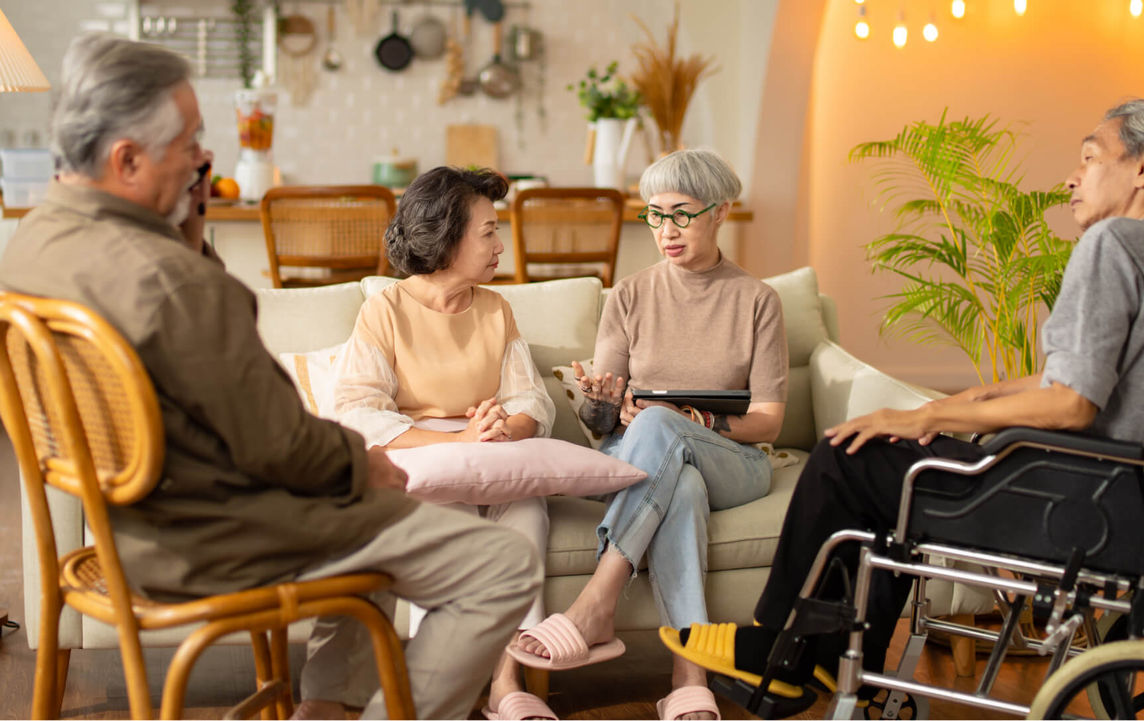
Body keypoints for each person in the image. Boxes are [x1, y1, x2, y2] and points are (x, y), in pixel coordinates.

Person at [0, 34, 541, 720]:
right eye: (191, 143)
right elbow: (281, 443)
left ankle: (326, 707)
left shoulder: (30, 244)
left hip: (124, 532)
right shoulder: (175, 284)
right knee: (501, 563)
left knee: (371, 515)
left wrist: (188, 237)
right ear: (127, 159)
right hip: (212, 539)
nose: (204, 160)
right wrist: (365, 463)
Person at [663, 99, 1144, 701]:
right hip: (1135, 499)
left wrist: (928, 414)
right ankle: (823, 653)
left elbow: (1072, 403)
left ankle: (779, 645)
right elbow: (1099, 377)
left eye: (1090, 158)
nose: (1073, 178)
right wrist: (981, 394)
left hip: (1066, 497)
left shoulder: (1114, 243)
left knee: (846, 452)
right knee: (883, 467)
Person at [507, 149, 790, 721]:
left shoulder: (758, 300)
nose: (667, 230)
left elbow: (768, 421)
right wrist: (602, 403)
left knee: (662, 423)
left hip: (735, 460)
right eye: (656, 215)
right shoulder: (630, 295)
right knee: (680, 484)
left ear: (719, 212)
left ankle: (598, 600)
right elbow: (601, 425)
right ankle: (689, 674)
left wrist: (689, 419)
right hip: (646, 459)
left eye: (681, 214)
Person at [331, 166, 557, 721]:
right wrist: (454, 440)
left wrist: (505, 428)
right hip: (421, 458)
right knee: (450, 519)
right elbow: (358, 412)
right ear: (447, 238)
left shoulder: (496, 308)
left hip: (493, 453)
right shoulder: (384, 310)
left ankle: (506, 683)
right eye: (489, 232)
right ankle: (435, 694)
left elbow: (532, 401)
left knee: (527, 510)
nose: (500, 246)